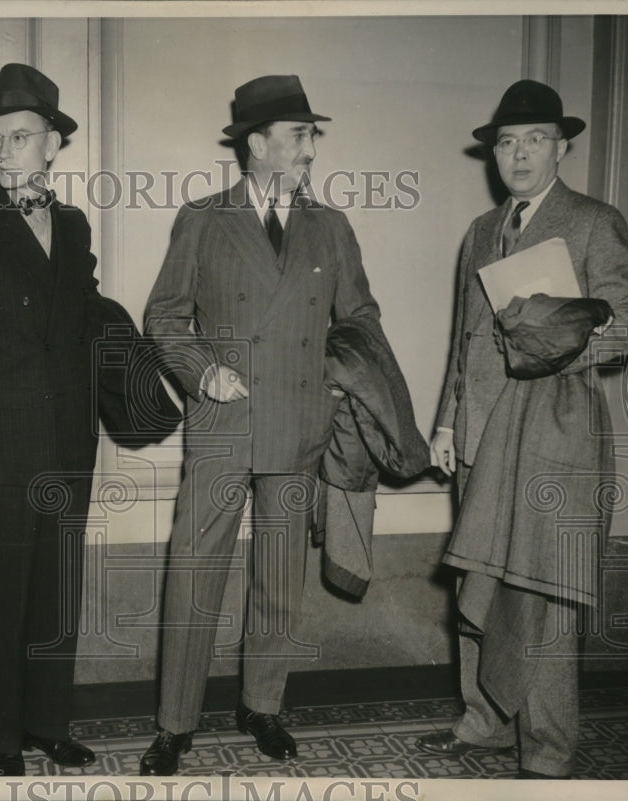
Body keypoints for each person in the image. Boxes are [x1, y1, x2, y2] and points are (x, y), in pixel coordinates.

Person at [139, 74, 381, 776]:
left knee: (280, 573)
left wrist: (337, 376)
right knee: (194, 571)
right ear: (257, 143)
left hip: (299, 421)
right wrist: (201, 371)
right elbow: (164, 316)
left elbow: (361, 317)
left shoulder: (330, 225)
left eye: (312, 135)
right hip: (224, 417)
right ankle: (174, 722)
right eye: (300, 134)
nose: (311, 148)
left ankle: (263, 705)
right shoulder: (203, 218)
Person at [419, 79, 628, 779]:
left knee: (543, 593)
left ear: (562, 148)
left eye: (535, 140)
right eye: (507, 143)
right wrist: (448, 421)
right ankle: (482, 723)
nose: (519, 155)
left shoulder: (593, 221)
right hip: (480, 435)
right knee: (478, 583)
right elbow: (465, 339)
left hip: (553, 433)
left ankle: (547, 748)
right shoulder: (480, 231)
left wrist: (555, 338)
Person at [0, 64, 99, 777]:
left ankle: (48, 723)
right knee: (4, 596)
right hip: (2, 445)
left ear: (53, 144)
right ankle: (4, 740)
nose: (3, 153)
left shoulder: (75, 224)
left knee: (57, 590)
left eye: (20, 137)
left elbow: (85, 322)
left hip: (70, 441)